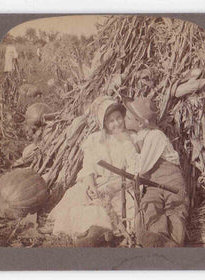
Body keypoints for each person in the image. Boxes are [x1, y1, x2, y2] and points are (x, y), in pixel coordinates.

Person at [47, 96, 137, 246]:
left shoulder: (129, 139)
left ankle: (100, 232)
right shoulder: (95, 140)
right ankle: (90, 232)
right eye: (111, 121)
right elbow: (88, 166)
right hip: (98, 181)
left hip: (121, 184)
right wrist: (91, 185)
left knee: (117, 206)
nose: (116, 123)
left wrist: (115, 186)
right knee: (82, 197)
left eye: (118, 118)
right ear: (104, 124)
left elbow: (134, 169)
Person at [124, 97, 189, 247]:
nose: (124, 119)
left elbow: (142, 166)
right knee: (150, 205)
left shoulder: (155, 136)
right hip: (153, 184)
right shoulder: (139, 137)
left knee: (175, 208)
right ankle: (157, 237)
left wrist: (130, 179)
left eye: (128, 117)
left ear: (140, 123)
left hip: (171, 181)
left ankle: (174, 242)